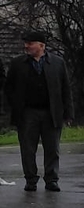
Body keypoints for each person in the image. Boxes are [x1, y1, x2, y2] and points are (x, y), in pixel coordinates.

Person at [2, 30, 74, 192]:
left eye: (30, 43)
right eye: (26, 43)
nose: (26, 46)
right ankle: (30, 180)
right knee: (27, 149)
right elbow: (9, 88)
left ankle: (52, 180)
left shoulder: (57, 63)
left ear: (41, 45)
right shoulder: (18, 64)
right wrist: (13, 106)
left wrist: (68, 113)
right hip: (27, 113)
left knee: (52, 149)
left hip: (51, 113)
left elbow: (65, 90)